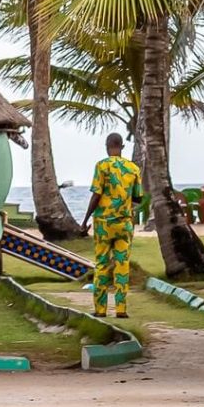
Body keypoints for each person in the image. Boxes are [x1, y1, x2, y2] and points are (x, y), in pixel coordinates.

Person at [80, 135, 142, 320]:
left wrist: (84, 220)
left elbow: (96, 195)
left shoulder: (102, 166)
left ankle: (100, 310)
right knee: (122, 265)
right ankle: (121, 310)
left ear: (107, 146)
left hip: (104, 225)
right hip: (124, 223)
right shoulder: (133, 168)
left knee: (102, 265)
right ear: (122, 146)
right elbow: (138, 198)